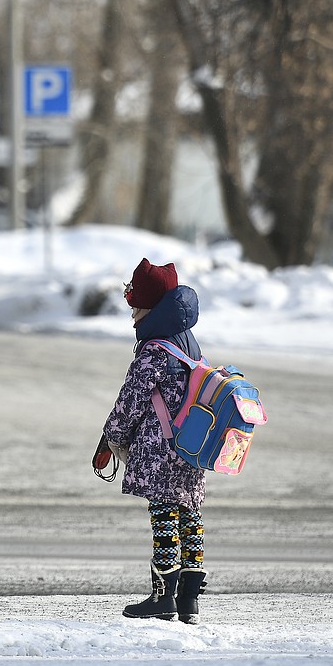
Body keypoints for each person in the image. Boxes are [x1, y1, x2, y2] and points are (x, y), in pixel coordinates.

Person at [98, 257, 208, 624]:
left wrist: (111, 437)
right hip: (191, 445)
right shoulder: (189, 344)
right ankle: (189, 599)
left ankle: (163, 596)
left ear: (152, 309)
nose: (133, 318)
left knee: (163, 514)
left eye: (137, 309)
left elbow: (132, 399)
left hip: (160, 447)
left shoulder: (154, 349)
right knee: (189, 515)